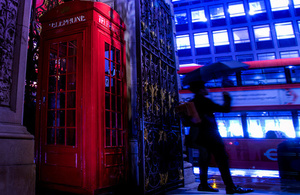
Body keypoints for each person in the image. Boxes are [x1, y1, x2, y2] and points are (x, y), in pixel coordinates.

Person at [189, 81, 254, 194]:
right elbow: (225, 109)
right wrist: (227, 98)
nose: (207, 89)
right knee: (222, 160)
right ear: (200, 90)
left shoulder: (192, 102)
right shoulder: (205, 101)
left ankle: (203, 184)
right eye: (205, 87)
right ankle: (230, 186)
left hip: (200, 136)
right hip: (211, 135)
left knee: (204, 160)